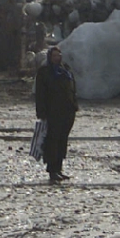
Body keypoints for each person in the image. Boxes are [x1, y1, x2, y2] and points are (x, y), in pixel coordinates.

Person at [35, 46, 77, 183]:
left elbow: (72, 88)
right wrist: (41, 112)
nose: (57, 58)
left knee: (62, 140)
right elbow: (40, 93)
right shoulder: (45, 72)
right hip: (52, 112)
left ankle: (59, 168)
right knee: (52, 141)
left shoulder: (65, 70)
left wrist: (74, 106)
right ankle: (52, 170)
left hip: (67, 111)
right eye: (54, 56)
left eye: (58, 55)